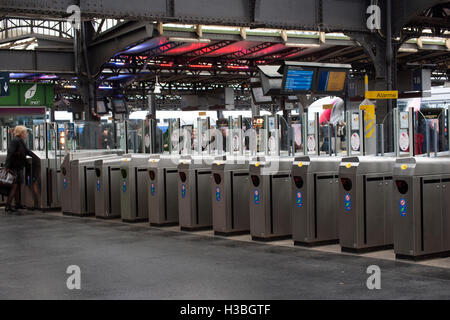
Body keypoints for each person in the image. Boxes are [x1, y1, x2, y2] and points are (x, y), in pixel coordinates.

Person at [4, 126, 36, 212]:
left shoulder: (20, 141)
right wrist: (7, 167)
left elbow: (26, 151)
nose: (26, 134)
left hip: (19, 166)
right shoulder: (15, 141)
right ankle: (8, 205)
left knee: (17, 186)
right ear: (21, 133)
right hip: (15, 167)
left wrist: (35, 156)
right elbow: (10, 153)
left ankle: (17, 204)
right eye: (25, 132)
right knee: (14, 186)